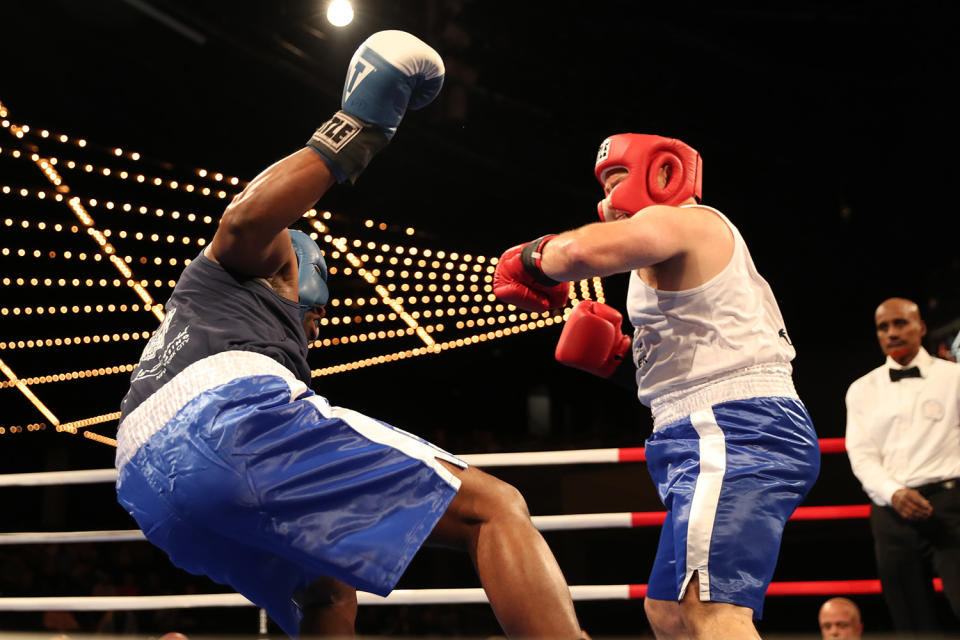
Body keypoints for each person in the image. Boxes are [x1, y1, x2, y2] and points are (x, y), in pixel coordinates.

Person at [114, 30, 584, 640]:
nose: (316, 322)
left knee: (327, 592)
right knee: (493, 507)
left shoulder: (216, 320)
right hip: (222, 422)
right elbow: (245, 220)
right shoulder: (247, 270)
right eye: (313, 308)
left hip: (144, 481)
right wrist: (354, 132)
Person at [492, 133, 821, 639]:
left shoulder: (688, 220)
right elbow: (701, 356)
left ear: (663, 173)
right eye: (602, 186)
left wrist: (530, 258)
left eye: (617, 179)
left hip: (736, 427)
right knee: (667, 612)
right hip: (704, 429)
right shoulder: (663, 256)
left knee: (713, 611)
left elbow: (580, 250)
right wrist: (621, 363)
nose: (606, 200)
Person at [845, 297, 960, 634]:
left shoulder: (954, 378)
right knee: (911, 622)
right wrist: (894, 493)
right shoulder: (861, 389)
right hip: (890, 512)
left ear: (921, 327)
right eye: (884, 326)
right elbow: (861, 454)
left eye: (901, 323)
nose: (892, 332)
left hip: (951, 506)